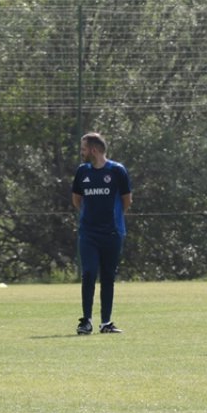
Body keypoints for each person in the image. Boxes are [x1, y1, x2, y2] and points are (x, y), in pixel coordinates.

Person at [71, 132, 132, 335]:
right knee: (88, 273)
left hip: (112, 232)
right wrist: (91, 217)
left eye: (84, 148)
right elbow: (76, 199)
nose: (82, 152)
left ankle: (106, 322)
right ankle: (86, 321)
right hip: (88, 233)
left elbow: (126, 200)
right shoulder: (82, 172)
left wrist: (113, 219)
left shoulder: (117, 171)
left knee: (107, 277)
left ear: (94, 150)